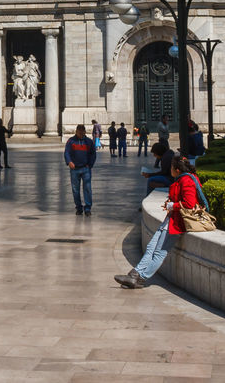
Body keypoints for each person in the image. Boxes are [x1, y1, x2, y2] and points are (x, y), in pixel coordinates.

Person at [115, 155, 203, 288]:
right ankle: (134, 274)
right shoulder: (183, 178)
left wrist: (172, 205)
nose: (170, 170)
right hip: (171, 219)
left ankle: (141, 278)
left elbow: (189, 204)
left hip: (177, 222)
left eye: (172, 168)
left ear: (177, 170)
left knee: (160, 251)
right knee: (151, 247)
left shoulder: (187, 181)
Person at [65, 123, 97, 215]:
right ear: (76, 132)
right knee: (75, 189)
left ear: (85, 132)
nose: (81, 135)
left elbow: (93, 154)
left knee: (87, 188)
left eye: (82, 133)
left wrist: (90, 165)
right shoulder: (71, 141)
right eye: (79, 133)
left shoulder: (89, 142)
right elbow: (67, 152)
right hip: (74, 169)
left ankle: (87, 208)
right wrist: (69, 162)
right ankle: (78, 207)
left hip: (85, 168)